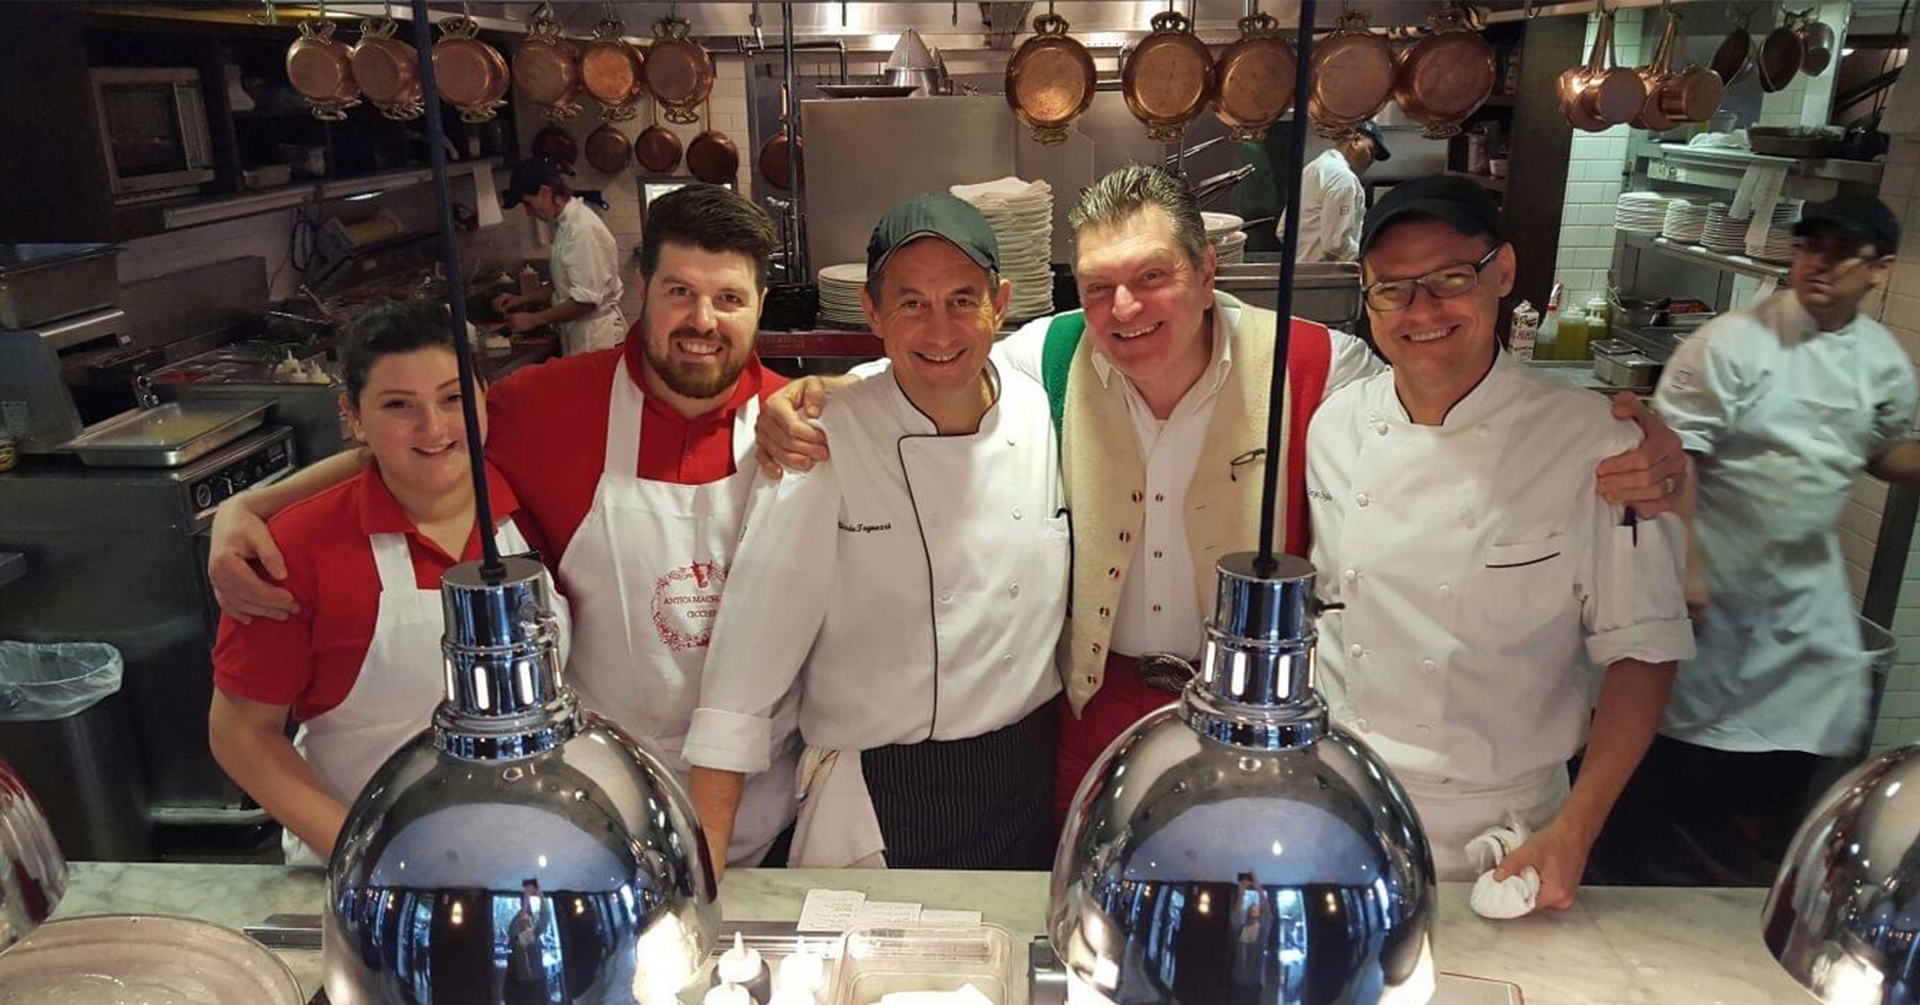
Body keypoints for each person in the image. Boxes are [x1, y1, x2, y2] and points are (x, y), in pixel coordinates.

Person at [754, 166, 1691, 829]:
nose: (1125, 310)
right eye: (1100, 287)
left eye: (1153, 277)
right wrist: (811, 398)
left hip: (1254, 721)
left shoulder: (1319, 366)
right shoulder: (1044, 354)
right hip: (1087, 707)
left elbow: (1443, 396)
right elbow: (931, 367)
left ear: (1207, 273)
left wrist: (1645, 450)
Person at [206, 184, 801, 869]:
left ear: (761, 303)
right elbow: (419, 448)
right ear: (641, 288)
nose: (702, 320)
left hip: (760, 800)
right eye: (678, 291)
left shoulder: (799, 420)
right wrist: (249, 508)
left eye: (729, 298)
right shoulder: (545, 403)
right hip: (594, 813)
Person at [1305, 175, 1695, 907]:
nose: (1422, 310)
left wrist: (1577, 831)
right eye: (1392, 289)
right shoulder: (1334, 428)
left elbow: (1645, 648)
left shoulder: (1596, 444)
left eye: (1451, 278)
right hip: (1343, 809)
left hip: (1509, 832)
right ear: (1367, 295)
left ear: (1503, 271)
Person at [683, 194, 1065, 875]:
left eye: (963, 300)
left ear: (1001, 303)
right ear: (872, 312)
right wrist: (702, 884)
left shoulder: (1041, 407)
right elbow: (744, 671)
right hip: (880, 797)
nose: (940, 329)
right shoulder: (824, 436)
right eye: (912, 302)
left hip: (1024, 783)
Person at [1593, 195, 1920, 885]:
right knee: (1667, 776)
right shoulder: (1732, 344)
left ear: (1880, 269)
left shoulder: (1879, 359)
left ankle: (1736, 904)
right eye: (1809, 247)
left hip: (1802, 605)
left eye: (1839, 252)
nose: (1818, 263)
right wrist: (1689, 568)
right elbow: (1676, 457)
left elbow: (1883, 451)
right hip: (1713, 596)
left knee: (1778, 786)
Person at [208, 298, 570, 865]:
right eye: (398, 405)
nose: (433, 427)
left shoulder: (538, 501)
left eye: (453, 398)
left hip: (532, 851)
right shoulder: (295, 550)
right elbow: (240, 734)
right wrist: (365, 857)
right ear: (353, 416)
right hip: (365, 865)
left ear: (484, 397)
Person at [494, 158, 628, 356]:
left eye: (528, 203)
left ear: (545, 192)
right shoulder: (567, 225)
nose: (528, 212)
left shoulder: (582, 231)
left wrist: (533, 319)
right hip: (583, 336)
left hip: (597, 339)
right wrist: (521, 299)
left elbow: (585, 301)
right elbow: (565, 286)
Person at [1276, 122, 1389, 263]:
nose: (1371, 161)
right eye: (1371, 152)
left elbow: (1283, 231)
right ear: (1356, 140)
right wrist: (1371, 260)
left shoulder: (1313, 169)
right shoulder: (1343, 178)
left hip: (1298, 270)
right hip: (1327, 273)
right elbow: (1336, 245)